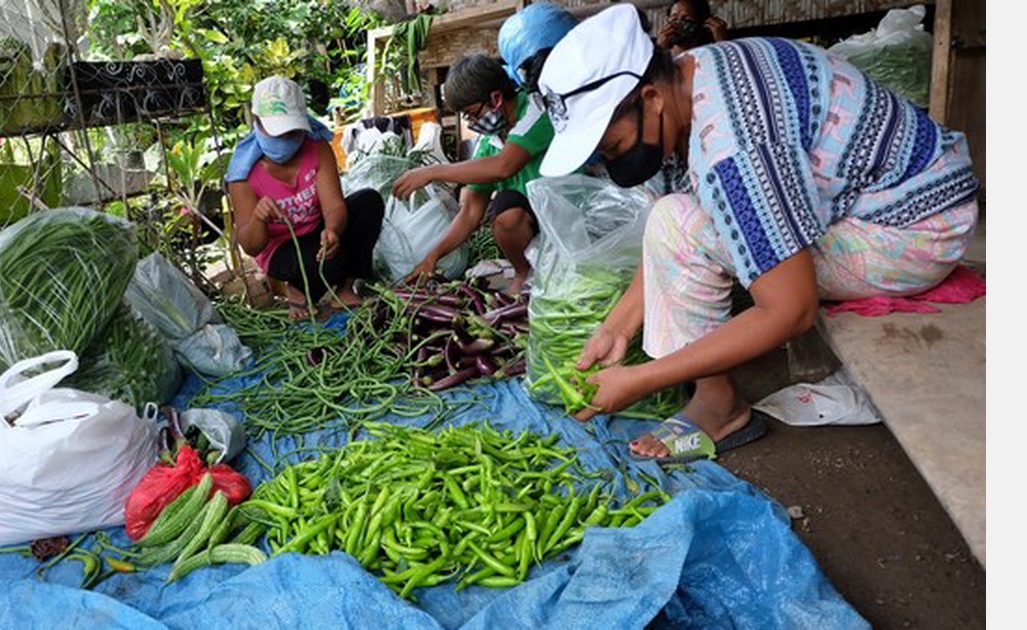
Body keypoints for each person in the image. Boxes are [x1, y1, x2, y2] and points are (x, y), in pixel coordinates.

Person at [535, 5, 981, 463]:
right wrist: (618, 326)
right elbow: (673, 232)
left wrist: (644, 378)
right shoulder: (699, 73)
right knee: (672, 217)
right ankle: (715, 398)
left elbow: (791, 310)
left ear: (650, 98)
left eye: (615, 147)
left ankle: (719, 408)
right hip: (889, 198)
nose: (616, 163)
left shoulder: (733, 146)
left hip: (912, 230)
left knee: (681, 223)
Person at [389, 50, 569, 294]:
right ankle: (525, 274)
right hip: (536, 219)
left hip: (568, 212)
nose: (472, 123)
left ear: (496, 99)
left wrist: (432, 172)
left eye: (473, 113)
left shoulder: (536, 111)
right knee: (505, 213)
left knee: (508, 205)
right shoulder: (489, 142)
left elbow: (504, 166)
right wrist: (433, 257)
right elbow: (471, 212)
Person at [227, 76, 385, 320]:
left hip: (316, 233)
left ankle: (344, 289)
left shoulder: (317, 148)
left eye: (292, 132)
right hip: (282, 250)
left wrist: (332, 229)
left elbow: (334, 205)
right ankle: (298, 289)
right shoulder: (243, 174)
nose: (285, 140)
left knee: (368, 202)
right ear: (257, 124)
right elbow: (250, 245)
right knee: (329, 262)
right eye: (278, 133)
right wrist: (259, 218)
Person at [655, 0, 728, 54]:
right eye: (674, 18)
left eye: (687, 19)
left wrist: (722, 42)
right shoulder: (661, 55)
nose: (678, 23)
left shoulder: (708, 52)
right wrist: (659, 50)